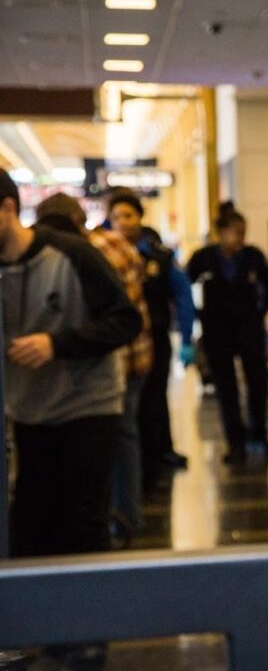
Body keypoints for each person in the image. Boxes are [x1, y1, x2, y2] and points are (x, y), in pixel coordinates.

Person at [0, 170, 141, 560]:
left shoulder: (71, 254)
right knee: (29, 526)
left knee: (82, 522)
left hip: (88, 407)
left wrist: (56, 343)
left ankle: (94, 616)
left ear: (8, 209)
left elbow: (126, 320)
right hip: (30, 412)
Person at [35, 193, 153, 538]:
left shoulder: (80, 256)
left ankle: (115, 518)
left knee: (108, 447)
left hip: (109, 365)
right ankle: (128, 516)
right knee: (125, 441)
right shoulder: (115, 244)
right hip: (138, 355)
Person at [108, 192, 197, 491]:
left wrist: (187, 338)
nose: (122, 223)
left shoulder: (158, 255)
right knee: (129, 408)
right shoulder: (103, 254)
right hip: (121, 342)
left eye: (128, 216)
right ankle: (139, 469)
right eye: (117, 217)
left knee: (153, 401)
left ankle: (155, 462)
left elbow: (183, 295)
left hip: (155, 340)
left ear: (139, 218)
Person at [187, 204, 268, 464]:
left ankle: (259, 436)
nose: (239, 238)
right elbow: (185, 287)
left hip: (249, 328)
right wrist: (199, 316)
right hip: (217, 331)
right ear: (221, 233)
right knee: (226, 387)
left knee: (258, 382)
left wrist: (259, 313)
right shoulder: (204, 258)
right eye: (234, 232)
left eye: (243, 232)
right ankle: (235, 443)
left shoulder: (253, 256)